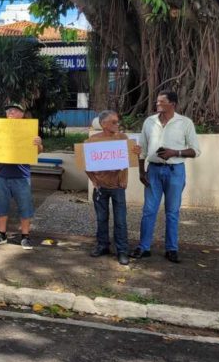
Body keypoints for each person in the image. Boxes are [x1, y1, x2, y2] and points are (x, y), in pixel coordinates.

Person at [133, 91, 201, 263]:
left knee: (172, 212)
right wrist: (142, 171)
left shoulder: (185, 123)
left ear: (173, 104)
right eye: (157, 102)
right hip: (153, 170)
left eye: (162, 102)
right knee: (149, 211)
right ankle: (144, 247)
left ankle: (171, 249)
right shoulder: (149, 122)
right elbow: (141, 148)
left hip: (175, 171)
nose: (158, 105)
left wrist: (174, 152)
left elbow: (195, 151)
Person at [85, 110, 141, 266]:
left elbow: (128, 160)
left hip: (118, 186)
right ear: (103, 124)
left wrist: (137, 153)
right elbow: (85, 163)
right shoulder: (92, 141)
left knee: (121, 220)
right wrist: (93, 181)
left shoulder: (123, 138)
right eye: (113, 122)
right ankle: (102, 245)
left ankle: (122, 250)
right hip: (101, 186)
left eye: (117, 121)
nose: (117, 125)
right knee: (101, 218)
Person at [0, 103, 43, 249]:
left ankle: (25, 237)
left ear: (21, 114)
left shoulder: (28, 130)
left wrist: (39, 144)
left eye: (15, 110)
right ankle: (1, 234)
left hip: (22, 176)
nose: (11, 113)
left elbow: (36, 152)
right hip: (2, 175)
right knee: (1, 206)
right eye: (9, 111)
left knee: (25, 207)